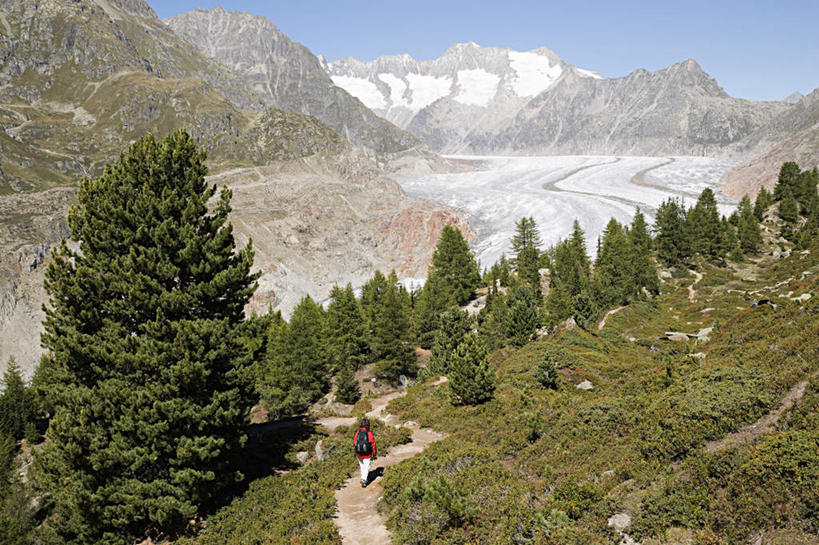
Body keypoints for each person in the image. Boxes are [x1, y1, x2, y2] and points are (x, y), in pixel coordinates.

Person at [353, 418, 377, 487]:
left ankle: (363, 477)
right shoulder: (369, 433)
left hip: (359, 453)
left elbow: (354, 442)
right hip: (367, 454)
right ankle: (364, 479)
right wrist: (374, 454)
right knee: (366, 466)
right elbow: (373, 445)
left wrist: (356, 451)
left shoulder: (358, 432)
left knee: (362, 465)